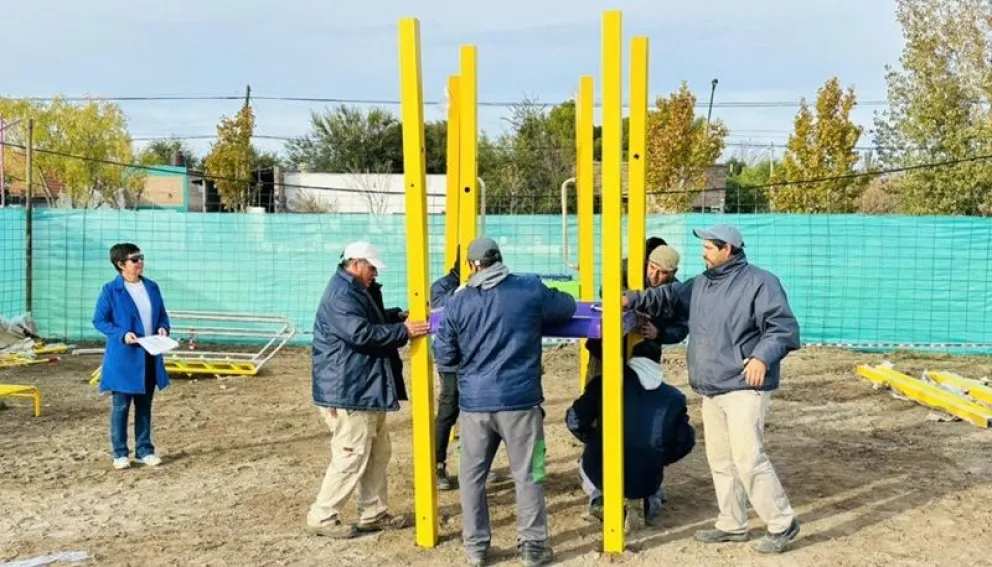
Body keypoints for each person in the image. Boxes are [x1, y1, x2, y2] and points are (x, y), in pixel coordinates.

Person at [621, 223, 802, 554]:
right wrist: (632, 298)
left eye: (708, 248)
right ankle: (732, 523)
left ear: (727, 249)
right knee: (720, 459)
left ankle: (782, 522)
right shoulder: (703, 283)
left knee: (748, 457)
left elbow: (783, 328)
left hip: (744, 384)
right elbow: (669, 296)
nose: (702, 253)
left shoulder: (760, 283)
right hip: (712, 385)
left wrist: (762, 357)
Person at [433, 237, 576, 567]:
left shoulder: (457, 302)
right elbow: (567, 306)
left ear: (472, 265)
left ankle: (476, 547)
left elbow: (444, 354)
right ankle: (533, 546)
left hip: (474, 405)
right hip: (521, 403)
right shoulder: (529, 288)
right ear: (499, 259)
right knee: (531, 472)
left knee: (471, 477)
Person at [307, 241, 430, 539]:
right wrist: (403, 331)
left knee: (377, 452)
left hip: (363, 387)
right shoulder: (342, 295)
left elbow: (367, 320)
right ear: (355, 264)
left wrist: (396, 316)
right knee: (351, 454)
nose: (375, 273)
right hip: (350, 391)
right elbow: (360, 333)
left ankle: (373, 512)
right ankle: (322, 516)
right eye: (372, 268)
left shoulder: (355, 290)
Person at [566, 341, 695, 526]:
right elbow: (684, 441)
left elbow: (575, 420)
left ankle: (599, 497)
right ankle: (646, 502)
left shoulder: (603, 384)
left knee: (588, 462)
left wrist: (592, 439)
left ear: (632, 357)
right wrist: (664, 457)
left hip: (603, 467)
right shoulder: (674, 397)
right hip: (647, 471)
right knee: (650, 481)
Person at [92, 243, 171, 471]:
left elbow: (162, 315)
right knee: (121, 407)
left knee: (144, 406)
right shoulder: (110, 290)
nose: (140, 263)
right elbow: (99, 320)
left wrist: (163, 328)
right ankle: (120, 453)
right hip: (124, 358)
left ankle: (145, 450)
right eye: (135, 259)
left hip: (149, 355)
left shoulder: (152, 287)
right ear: (120, 264)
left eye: (141, 258)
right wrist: (122, 334)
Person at [430, 253, 461, 491]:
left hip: (476, 358)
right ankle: (437, 463)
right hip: (451, 360)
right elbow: (441, 312)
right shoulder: (442, 286)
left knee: (476, 414)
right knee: (448, 410)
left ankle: (475, 464)